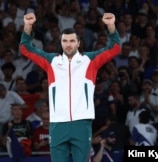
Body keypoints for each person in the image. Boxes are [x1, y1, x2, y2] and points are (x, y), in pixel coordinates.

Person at [19, 12, 121, 162]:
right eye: (65, 41)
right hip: (58, 123)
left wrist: (111, 25)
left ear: (78, 43)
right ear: (61, 43)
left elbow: (115, 48)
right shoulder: (51, 61)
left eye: (72, 41)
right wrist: (28, 26)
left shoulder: (89, 60)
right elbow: (25, 48)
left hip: (82, 123)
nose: (68, 44)